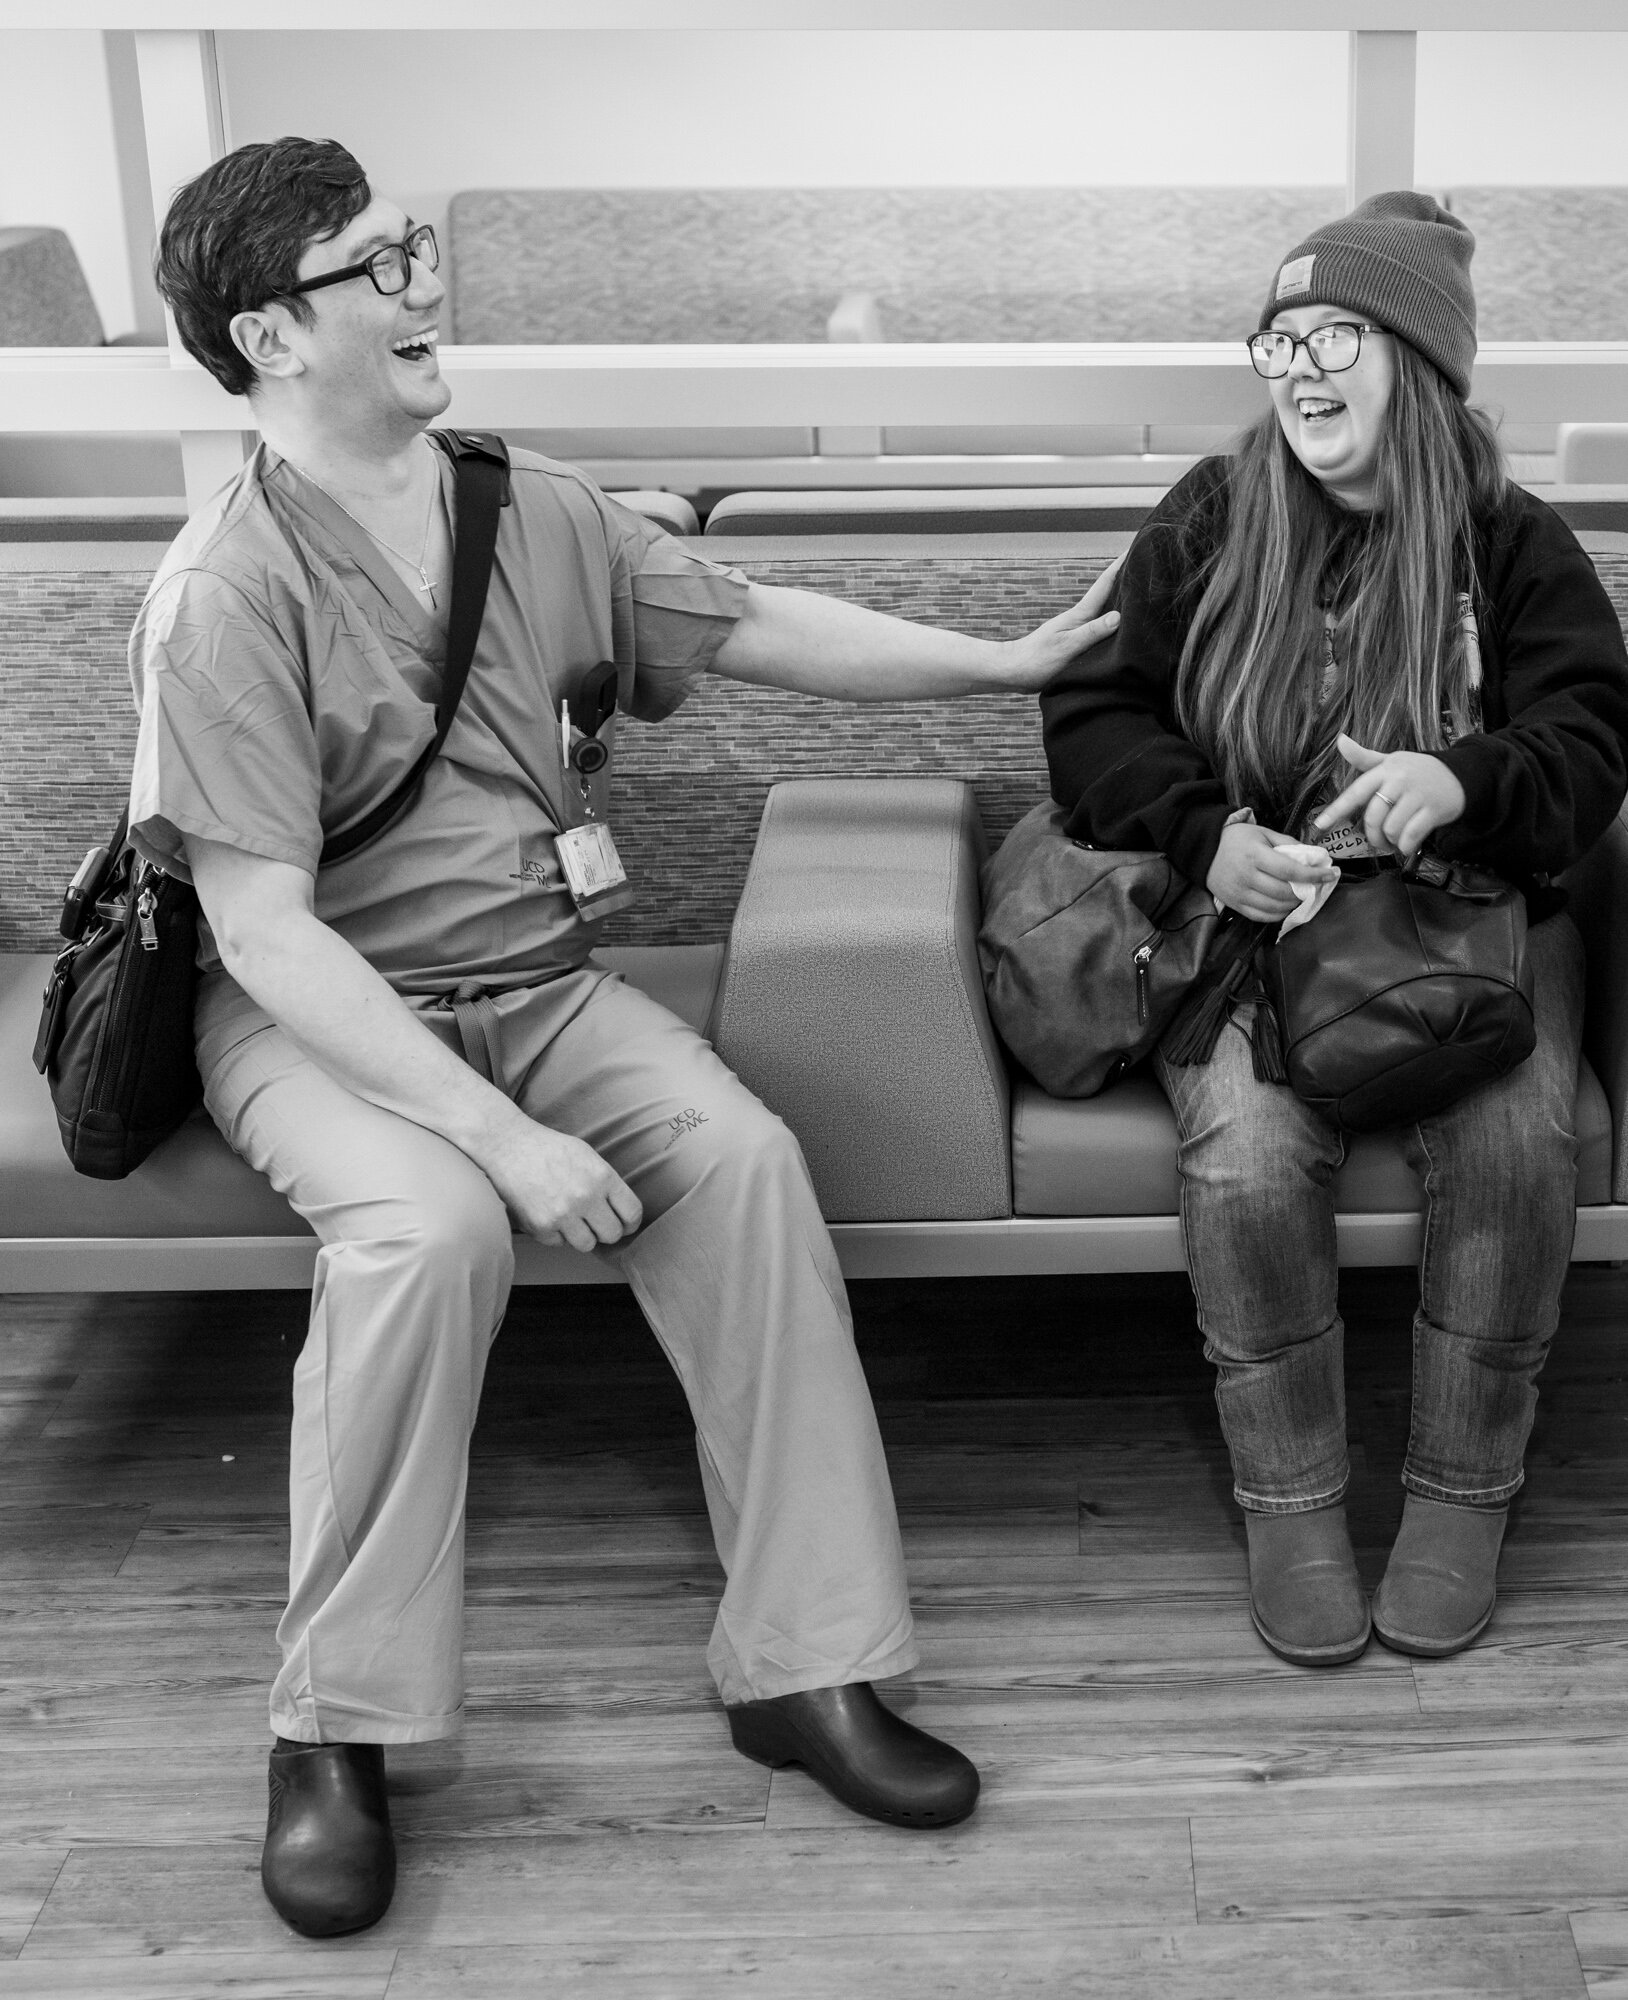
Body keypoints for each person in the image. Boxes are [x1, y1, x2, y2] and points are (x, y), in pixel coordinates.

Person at [131, 136, 1120, 1939]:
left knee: (743, 1165)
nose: (426, 285)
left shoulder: (534, 511)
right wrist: (503, 1149)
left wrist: (997, 669)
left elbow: (756, 627)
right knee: (421, 1237)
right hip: (321, 1024)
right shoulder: (225, 593)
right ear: (273, 336)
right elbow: (263, 931)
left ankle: (807, 1667)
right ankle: (333, 1733)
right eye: (380, 266)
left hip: (542, 985)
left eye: (415, 246)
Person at [1042, 192, 1628, 1673]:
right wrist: (1209, 838)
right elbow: (1092, 712)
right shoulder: (1212, 513)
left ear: (1420, 363)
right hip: (1258, 916)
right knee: (1245, 1160)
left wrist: (1460, 780)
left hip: (1478, 916)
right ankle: (1292, 1501)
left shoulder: (1511, 537)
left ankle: (1462, 1492)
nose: (1298, 368)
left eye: (1335, 336)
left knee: (1517, 1146)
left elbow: (1595, 736)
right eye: (1279, 337)